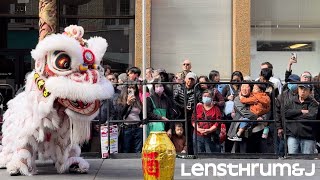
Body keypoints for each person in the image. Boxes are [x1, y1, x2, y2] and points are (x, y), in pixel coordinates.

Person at [284, 84, 318, 154]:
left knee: (307, 160)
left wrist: (293, 116)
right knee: (293, 159)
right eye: (301, 89)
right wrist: (301, 111)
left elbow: (312, 116)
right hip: (293, 135)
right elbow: (285, 113)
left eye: (305, 89)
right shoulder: (291, 101)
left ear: (310, 92)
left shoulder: (313, 103)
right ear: (298, 90)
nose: (303, 91)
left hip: (308, 136)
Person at [173, 72, 200, 154]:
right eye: (189, 79)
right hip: (179, 114)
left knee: (190, 135)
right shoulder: (179, 87)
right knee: (179, 133)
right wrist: (183, 107)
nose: (190, 81)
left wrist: (191, 108)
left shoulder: (197, 90)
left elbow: (198, 102)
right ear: (185, 79)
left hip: (191, 115)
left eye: (192, 80)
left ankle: (190, 152)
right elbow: (174, 100)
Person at [115, 81, 143, 153]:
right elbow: (120, 114)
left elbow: (141, 114)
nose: (131, 90)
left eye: (133, 88)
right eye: (129, 88)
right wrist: (127, 104)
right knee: (126, 149)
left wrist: (141, 123)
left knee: (138, 150)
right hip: (127, 128)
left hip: (138, 128)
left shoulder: (137, 100)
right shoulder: (120, 100)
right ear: (126, 89)